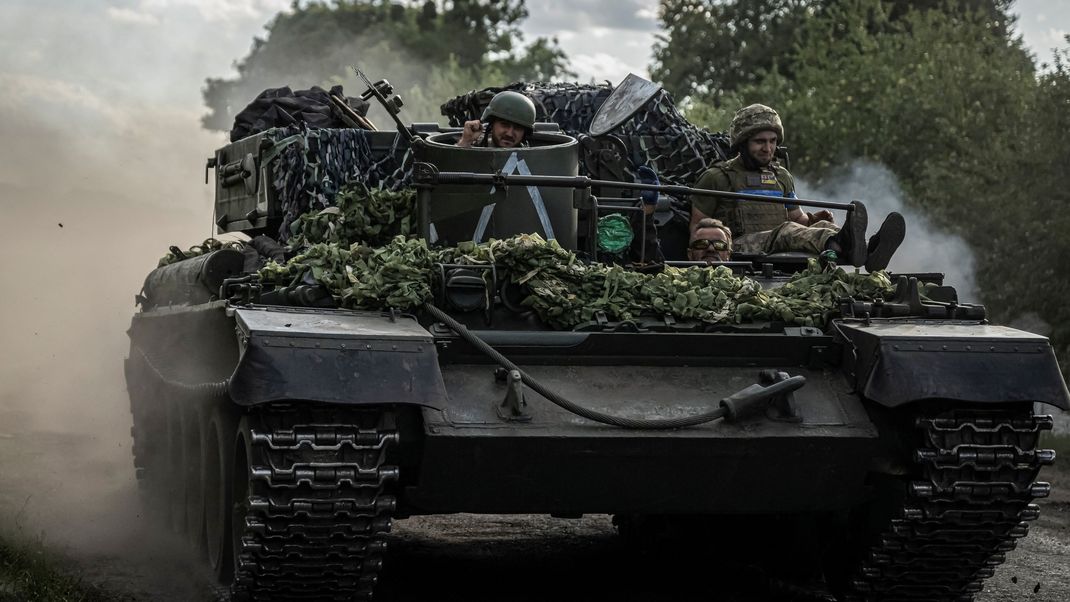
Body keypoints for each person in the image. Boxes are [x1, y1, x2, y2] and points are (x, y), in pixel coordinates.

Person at [691, 103, 904, 271]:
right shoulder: (716, 177)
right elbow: (696, 230)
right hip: (736, 247)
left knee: (824, 228)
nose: (768, 148)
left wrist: (814, 219)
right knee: (786, 231)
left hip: (776, 241)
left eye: (773, 141)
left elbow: (797, 219)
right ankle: (841, 242)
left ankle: (868, 250)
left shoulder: (781, 176)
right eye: (760, 142)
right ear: (742, 142)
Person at [456, 91, 536, 149]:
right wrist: (466, 141)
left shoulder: (533, 158)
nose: (509, 134)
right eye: (505, 125)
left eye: (518, 128)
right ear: (492, 125)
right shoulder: (478, 146)